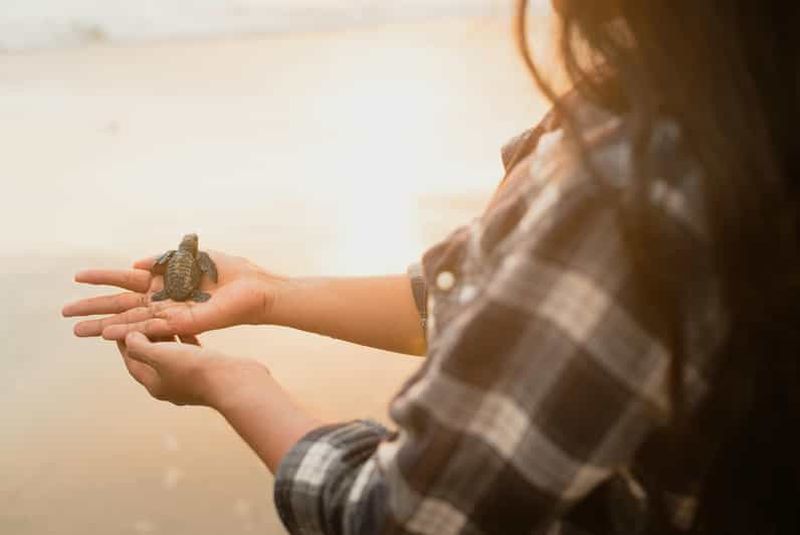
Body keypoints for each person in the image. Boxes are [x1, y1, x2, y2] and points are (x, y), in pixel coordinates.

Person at [62, 0, 800, 533]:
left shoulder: (635, 184)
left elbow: (401, 519)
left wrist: (236, 384)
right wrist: (268, 294)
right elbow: (490, 305)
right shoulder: (739, 102)